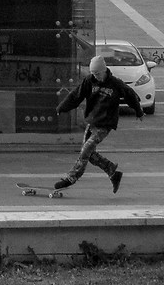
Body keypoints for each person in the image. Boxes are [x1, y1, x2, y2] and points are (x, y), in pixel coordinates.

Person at [52, 54, 140, 192]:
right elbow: (76, 95)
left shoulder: (115, 83)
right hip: (92, 121)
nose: (96, 77)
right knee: (90, 155)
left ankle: (71, 177)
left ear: (104, 70)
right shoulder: (89, 81)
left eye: (98, 74)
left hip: (105, 124)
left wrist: (138, 110)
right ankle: (112, 171)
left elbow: (130, 95)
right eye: (93, 74)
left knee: (86, 149)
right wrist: (62, 107)